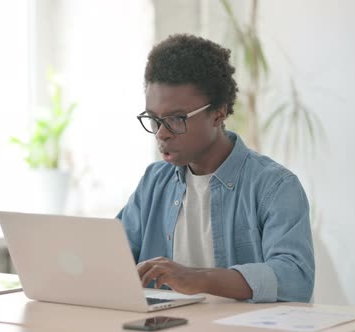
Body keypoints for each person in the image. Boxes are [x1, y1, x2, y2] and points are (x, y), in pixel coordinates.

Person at [116, 34, 314, 303]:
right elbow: (112, 257)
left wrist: (199, 279)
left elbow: (295, 278)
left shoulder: (274, 186)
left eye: (176, 118)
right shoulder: (154, 182)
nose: (161, 133)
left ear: (218, 113)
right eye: (153, 119)